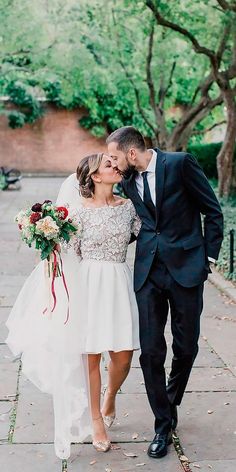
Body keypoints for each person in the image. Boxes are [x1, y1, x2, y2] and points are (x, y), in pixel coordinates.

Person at [6, 153, 141, 459]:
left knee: (123, 355)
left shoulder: (129, 207)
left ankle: (110, 397)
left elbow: (141, 235)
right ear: (95, 176)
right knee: (90, 356)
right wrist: (49, 244)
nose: (115, 167)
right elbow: (69, 254)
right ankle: (96, 421)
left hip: (119, 280)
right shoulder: (79, 213)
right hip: (89, 284)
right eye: (108, 165)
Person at [107, 126, 224, 459]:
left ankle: (169, 398)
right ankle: (163, 423)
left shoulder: (180, 164)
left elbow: (212, 211)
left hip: (187, 269)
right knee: (151, 352)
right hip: (148, 273)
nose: (113, 165)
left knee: (186, 347)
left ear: (132, 153)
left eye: (115, 157)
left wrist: (208, 259)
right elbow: (132, 223)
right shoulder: (128, 182)